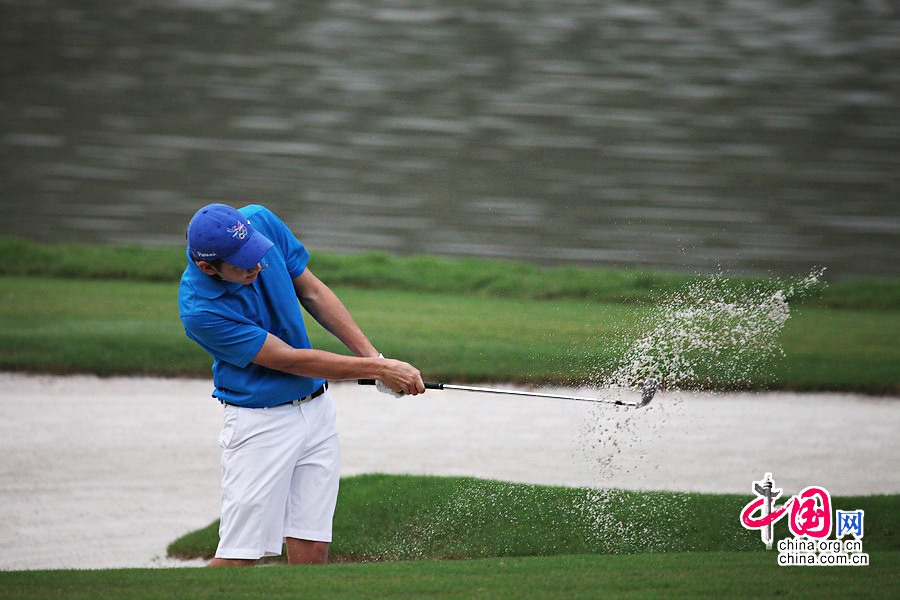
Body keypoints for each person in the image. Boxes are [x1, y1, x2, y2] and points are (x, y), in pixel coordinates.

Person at [178, 203, 425, 566]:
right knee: (238, 560)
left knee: (313, 548)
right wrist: (378, 368)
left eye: (258, 255)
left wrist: (377, 362)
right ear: (207, 267)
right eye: (245, 265)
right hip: (260, 426)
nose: (258, 267)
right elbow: (292, 360)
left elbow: (313, 292)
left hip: (317, 412)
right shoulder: (200, 310)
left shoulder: (259, 220)